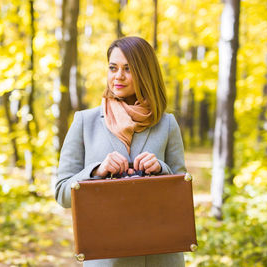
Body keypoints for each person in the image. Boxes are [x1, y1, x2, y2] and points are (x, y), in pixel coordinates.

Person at [55, 36, 186, 267]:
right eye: (113, 68)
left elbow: (183, 191)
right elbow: (62, 194)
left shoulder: (166, 124)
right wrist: (96, 171)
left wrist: (161, 169)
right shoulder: (85, 122)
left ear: (145, 73)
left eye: (128, 69)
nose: (118, 76)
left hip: (158, 257)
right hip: (106, 258)